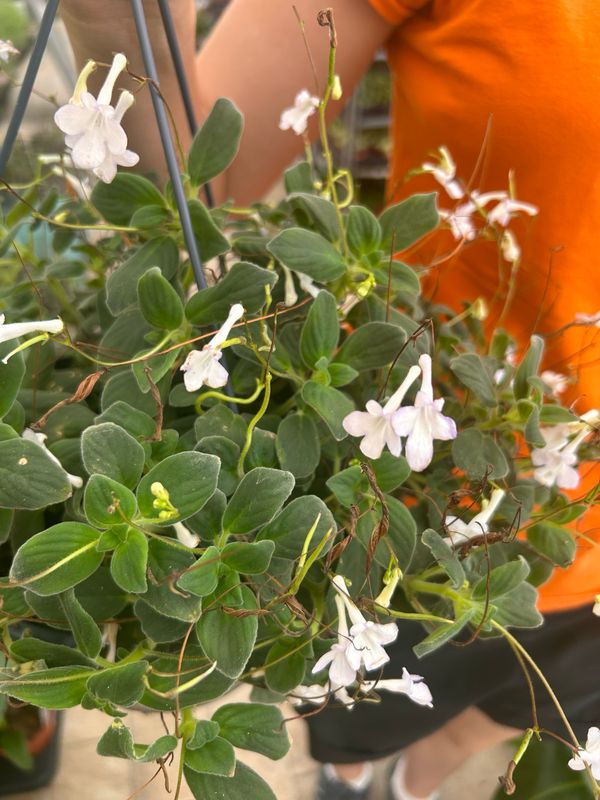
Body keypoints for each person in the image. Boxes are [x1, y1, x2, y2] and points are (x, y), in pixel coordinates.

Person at [59, 2, 600, 798]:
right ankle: (350, 776)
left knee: (526, 704)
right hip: (430, 507)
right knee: (362, 710)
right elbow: (199, 177)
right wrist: (113, 21)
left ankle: (408, 781)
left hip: (539, 518)